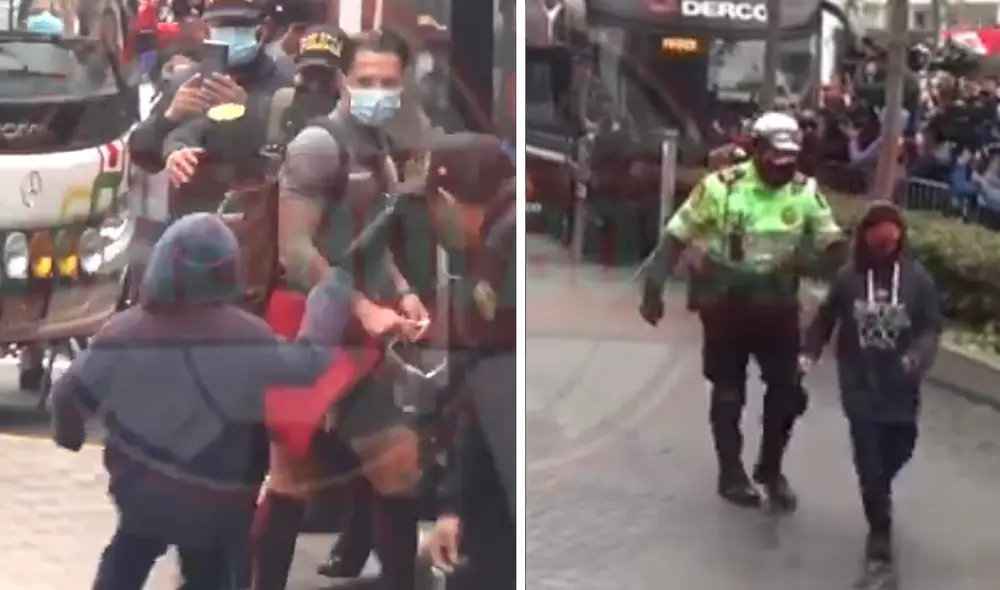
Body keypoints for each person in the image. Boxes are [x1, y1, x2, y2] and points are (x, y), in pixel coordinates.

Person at [49, 213, 356, 590]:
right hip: (218, 500)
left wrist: (69, 435)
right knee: (214, 568)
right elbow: (310, 367)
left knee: (126, 555)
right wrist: (330, 295)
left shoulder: (125, 330)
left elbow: (67, 397)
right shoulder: (247, 335)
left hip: (141, 494)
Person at [249, 28, 429, 590]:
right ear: (345, 80)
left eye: (389, 82)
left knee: (398, 464)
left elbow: (371, 242)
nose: (377, 91)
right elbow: (296, 253)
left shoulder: (378, 148)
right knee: (292, 476)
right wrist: (363, 307)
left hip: (356, 328)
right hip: (304, 326)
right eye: (367, 80)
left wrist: (401, 291)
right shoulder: (317, 146)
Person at [639, 111, 847, 510]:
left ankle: (770, 469)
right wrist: (654, 287)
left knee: (787, 392)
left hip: (778, 307)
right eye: (775, 156)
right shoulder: (720, 187)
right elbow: (676, 234)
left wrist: (826, 262)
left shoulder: (805, 192)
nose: (784, 166)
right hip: (726, 305)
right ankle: (730, 473)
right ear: (754, 149)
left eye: (791, 158)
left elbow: (831, 241)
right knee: (729, 393)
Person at [800, 201, 940, 585]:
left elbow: (930, 328)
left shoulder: (918, 281)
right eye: (876, 235)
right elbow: (825, 318)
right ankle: (880, 531)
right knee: (868, 456)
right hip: (859, 381)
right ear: (864, 236)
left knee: (900, 446)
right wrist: (808, 352)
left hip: (901, 384)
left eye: (891, 236)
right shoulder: (849, 278)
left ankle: (878, 486)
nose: (884, 244)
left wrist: (917, 357)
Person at [423, 133, 517, 590]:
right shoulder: (504, 237)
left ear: (445, 197)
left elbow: (486, 387)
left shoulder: (499, 252)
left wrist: (455, 502)